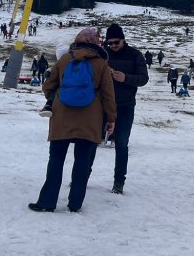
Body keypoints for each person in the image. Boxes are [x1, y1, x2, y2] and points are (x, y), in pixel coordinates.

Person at [30, 28, 117, 213]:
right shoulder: (102, 64)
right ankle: (75, 203)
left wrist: (57, 98)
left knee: (56, 159)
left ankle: (47, 201)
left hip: (61, 116)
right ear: (97, 43)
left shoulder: (64, 59)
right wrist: (111, 119)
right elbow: (109, 95)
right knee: (82, 162)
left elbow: (48, 86)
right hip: (90, 119)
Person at [104, 23, 149, 194]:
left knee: (122, 144)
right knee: (91, 142)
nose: (113, 46)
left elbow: (143, 78)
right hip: (102, 105)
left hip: (125, 106)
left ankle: (119, 182)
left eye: (116, 42)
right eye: (110, 43)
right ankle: (82, 177)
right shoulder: (103, 54)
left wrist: (126, 78)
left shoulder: (135, 55)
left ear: (123, 39)